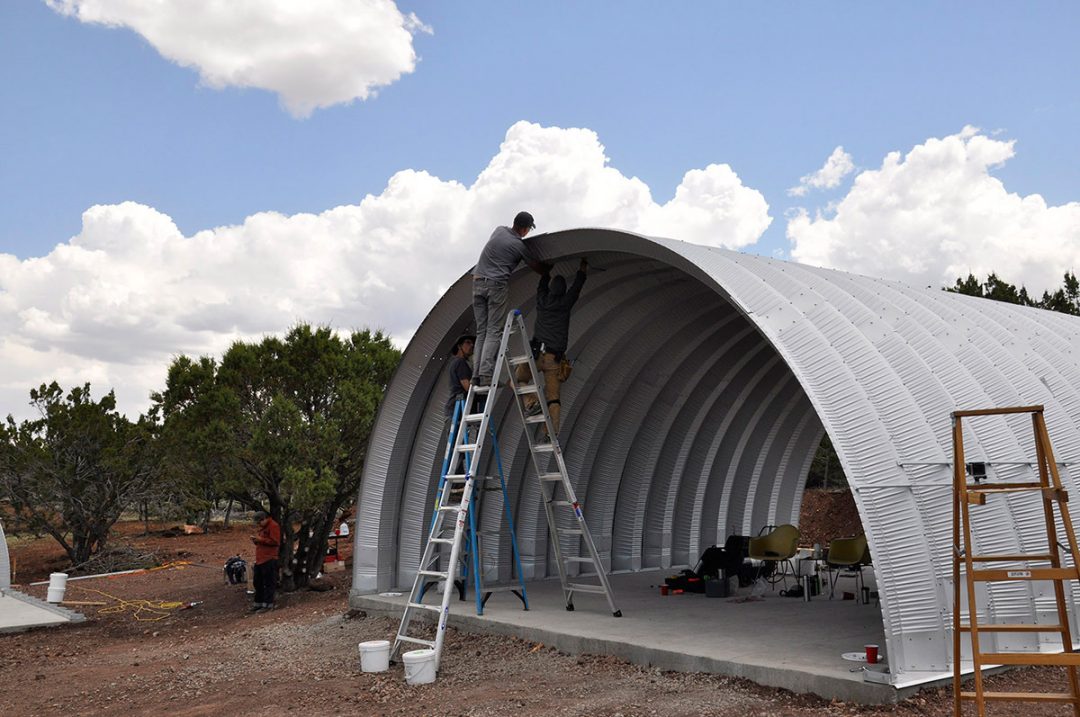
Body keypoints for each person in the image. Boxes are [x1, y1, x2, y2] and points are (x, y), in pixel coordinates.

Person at [473, 211, 550, 386]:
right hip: (495, 285)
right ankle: (485, 375)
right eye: (528, 229)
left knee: (481, 332)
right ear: (524, 229)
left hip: (477, 283)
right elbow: (537, 266)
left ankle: (476, 375)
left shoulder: (499, 230)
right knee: (493, 331)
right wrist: (548, 269)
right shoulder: (518, 245)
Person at [515, 258, 588, 439]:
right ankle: (551, 434)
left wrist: (546, 273)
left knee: (517, 379)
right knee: (553, 398)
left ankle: (531, 402)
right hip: (554, 359)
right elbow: (576, 288)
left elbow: (541, 288)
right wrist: (582, 270)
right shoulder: (565, 304)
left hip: (536, 355)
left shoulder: (542, 301)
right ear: (563, 290)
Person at [250, 511, 280, 612]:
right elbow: (262, 541)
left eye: (259, 522)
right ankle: (258, 602)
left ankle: (268, 604)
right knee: (257, 582)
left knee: (269, 582)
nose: (258, 524)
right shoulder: (263, 528)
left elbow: (275, 541)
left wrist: (261, 539)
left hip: (269, 558)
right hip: (260, 559)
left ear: (264, 518)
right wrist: (256, 540)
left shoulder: (273, 526)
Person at [444, 334, 475, 422]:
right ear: (459, 346)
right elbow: (467, 387)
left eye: (472, 343)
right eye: (468, 342)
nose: (472, 345)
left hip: (454, 408)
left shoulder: (455, 362)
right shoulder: (460, 362)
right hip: (456, 409)